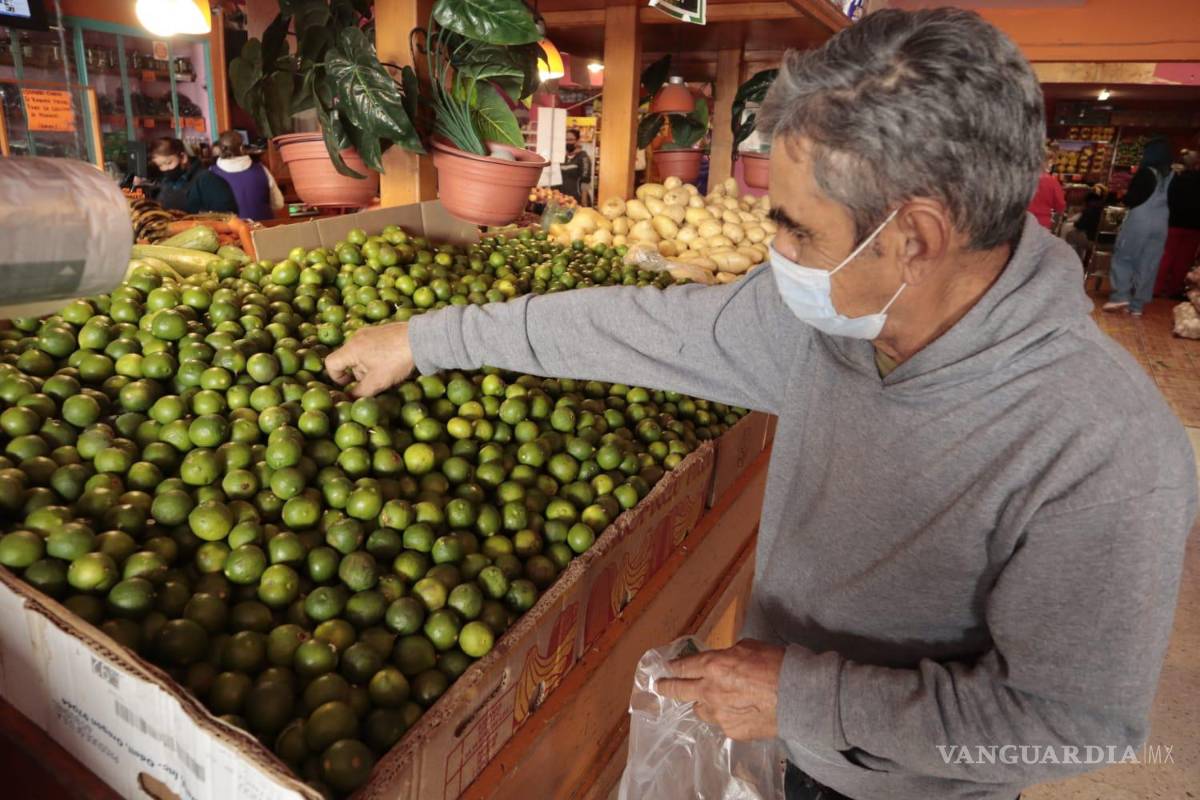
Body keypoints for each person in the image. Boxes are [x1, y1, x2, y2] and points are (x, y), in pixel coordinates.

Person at [325, 10, 1195, 800]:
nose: (774, 253)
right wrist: (428, 339)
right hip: (770, 755)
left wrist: (806, 698)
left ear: (915, 239)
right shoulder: (821, 325)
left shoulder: (1106, 448)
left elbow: (1068, 729)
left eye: (795, 227)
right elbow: (637, 326)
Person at [1103, 136, 1174, 316]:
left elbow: (1133, 199)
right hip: (1161, 223)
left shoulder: (1146, 173)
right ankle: (1137, 305)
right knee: (1148, 263)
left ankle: (1120, 296)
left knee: (1124, 257)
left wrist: (1123, 196)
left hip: (1140, 221)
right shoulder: (1172, 176)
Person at [144, 137, 237, 214]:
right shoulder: (166, 181)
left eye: (168, 163)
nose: (165, 169)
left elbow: (227, 217)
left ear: (183, 157)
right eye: (160, 165)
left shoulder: (208, 181)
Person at [1154, 149, 1200, 297]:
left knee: (1166, 256)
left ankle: (1156, 288)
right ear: (1196, 164)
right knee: (1184, 260)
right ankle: (1173, 290)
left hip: (1173, 222)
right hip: (1194, 225)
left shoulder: (1175, 179)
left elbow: (1168, 199)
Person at [210, 130, 285, 221]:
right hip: (263, 229)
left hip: (228, 232)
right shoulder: (261, 170)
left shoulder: (211, 174)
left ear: (219, 149)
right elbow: (278, 204)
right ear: (242, 148)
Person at [1063, 184, 1106, 263]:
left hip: (1092, 240)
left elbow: (1079, 226)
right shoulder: (1103, 208)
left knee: (1070, 235)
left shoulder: (1090, 209)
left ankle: (1073, 261)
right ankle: (1080, 260)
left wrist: (1075, 222)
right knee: (1077, 236)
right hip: (1103, 240)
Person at [1027, 151, 1066, 229]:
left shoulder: (1020, 179)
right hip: (1042, 223)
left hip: (1022, 223)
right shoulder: (1052, 181)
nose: (1050, 165)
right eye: (1049, 162)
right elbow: (1060, 206)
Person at [556, 128, 592, 205]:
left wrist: (584, 199)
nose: (568, 142)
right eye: (566, 139)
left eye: (571, 139)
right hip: (561, 199)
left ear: (577, 141)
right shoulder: (560, 157)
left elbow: (585, 180)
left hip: (577, 199)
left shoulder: (583, 157)